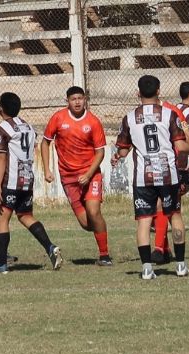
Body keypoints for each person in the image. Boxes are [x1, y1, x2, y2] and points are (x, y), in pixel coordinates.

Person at [112, 75, 189, 280]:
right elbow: (180, 146)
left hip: (143, 178)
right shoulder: (168, 114)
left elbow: (124, 151)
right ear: (159, 91)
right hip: (167, 174)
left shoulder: (129, 117)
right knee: (175, 216)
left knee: (144, 221)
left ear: (138, 93)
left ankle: (146, 268)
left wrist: (117, 155)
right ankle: (180, 265)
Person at [0, 92, 63, 274]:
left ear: (0, 108)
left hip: (10, 182)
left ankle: (2, 264)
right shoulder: (29, 127)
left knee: (1, 218)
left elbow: (2, 157)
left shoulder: (2, 129)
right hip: (26, 180)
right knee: (25, 216)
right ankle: (50, 247)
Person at [40, 86, 112, 266]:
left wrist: (88, 174)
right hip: (69, 178)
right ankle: (99, 228)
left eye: (80, 98)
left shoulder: (93, 121)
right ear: (67, 101)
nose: (77, 102)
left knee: (94, 212)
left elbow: (100, 153)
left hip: (90, 174)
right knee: (87, 224)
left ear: (85, 99)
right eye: (74, 99)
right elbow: (45, 143)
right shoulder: (58, 118)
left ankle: (104, 255)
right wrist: (47, 170)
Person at [152, 81, 189, 264]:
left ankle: (163, 248)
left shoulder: (172, 109)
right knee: (170, 207)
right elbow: (188, 134)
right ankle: (162, 248)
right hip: (175, 164)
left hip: (159, 165)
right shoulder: (183, 112)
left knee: (165, 206)